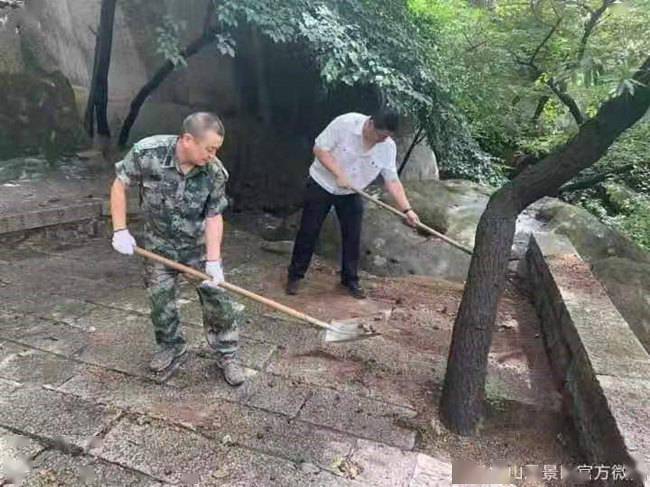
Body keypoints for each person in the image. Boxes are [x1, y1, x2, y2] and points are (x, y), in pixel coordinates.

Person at [109, 112, 245, 386]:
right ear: (187, 139)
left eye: (216, 149)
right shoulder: (148, 152)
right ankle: (171, 347)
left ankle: (227, 353)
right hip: (157, 247)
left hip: (196, 250)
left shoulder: (214, 172)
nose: (212, 154)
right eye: (209, 148)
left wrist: (214, 261)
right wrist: (120, 229)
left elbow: (214, 216)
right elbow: (119, 184)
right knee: (160, 302)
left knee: (217, 299)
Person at [287, 108, 420, 299]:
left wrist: (407, 209)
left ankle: (350, 280)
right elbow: (319, 148)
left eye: (386, 137)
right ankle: (295, 276)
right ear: (370, 123)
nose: (382, 141)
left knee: (353, 235)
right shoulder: (345, 123)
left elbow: (392, 180)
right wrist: (339, 173)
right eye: (380, 136)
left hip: (351, 192)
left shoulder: (387, 146)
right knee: (309, 230)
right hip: (321, 183)